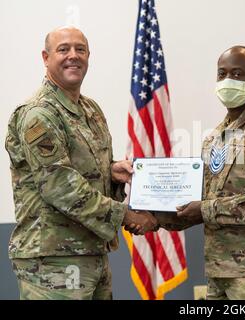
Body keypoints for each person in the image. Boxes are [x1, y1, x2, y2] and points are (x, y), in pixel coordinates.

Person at [5, 26, 158, 300]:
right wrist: (125, 215)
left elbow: (79, 170)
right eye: (63, 49)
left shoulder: (91, 110)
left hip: (91, 253)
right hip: (51, 261)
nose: (73, 56)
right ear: (46, 57)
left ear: (89, 56)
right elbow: (60, 185)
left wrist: (111, 173)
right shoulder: (39, 114)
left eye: (80, 49)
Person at [156, 45, 245, 300]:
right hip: (218, 270)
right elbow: (201, 199)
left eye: (237, 74)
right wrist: (156, 212)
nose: (227, 81)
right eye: (222, 74)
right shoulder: (215, 137)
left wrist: (204, 209)